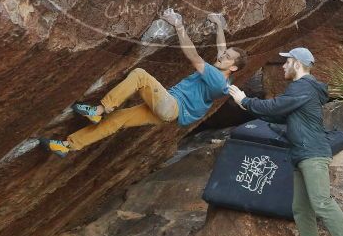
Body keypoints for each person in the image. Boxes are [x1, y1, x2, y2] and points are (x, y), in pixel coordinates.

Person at [228, 47, 343, 236]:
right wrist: (244, 103)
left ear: (298, 64)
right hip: (301, 155)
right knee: (301, 209)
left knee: (321, 201)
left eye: (287, 61)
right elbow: (276, 114)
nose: (283, 66)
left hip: (312, 153)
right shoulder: (302, 91)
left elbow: (274, 106)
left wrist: (246, 99)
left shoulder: (303, 86)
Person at [40, 10, 247, 156]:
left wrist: (179, 25)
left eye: (227, 58)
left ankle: (99, 109)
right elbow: (222, 49)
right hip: (168, 113)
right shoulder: (224, 75)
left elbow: (194, 57)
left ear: (234, 68)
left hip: (173, 106)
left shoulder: (217, 79)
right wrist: (219, 25)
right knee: (118, 119)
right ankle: (67, 145)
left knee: (140, 75)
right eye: (225, 55)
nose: (222, 57)